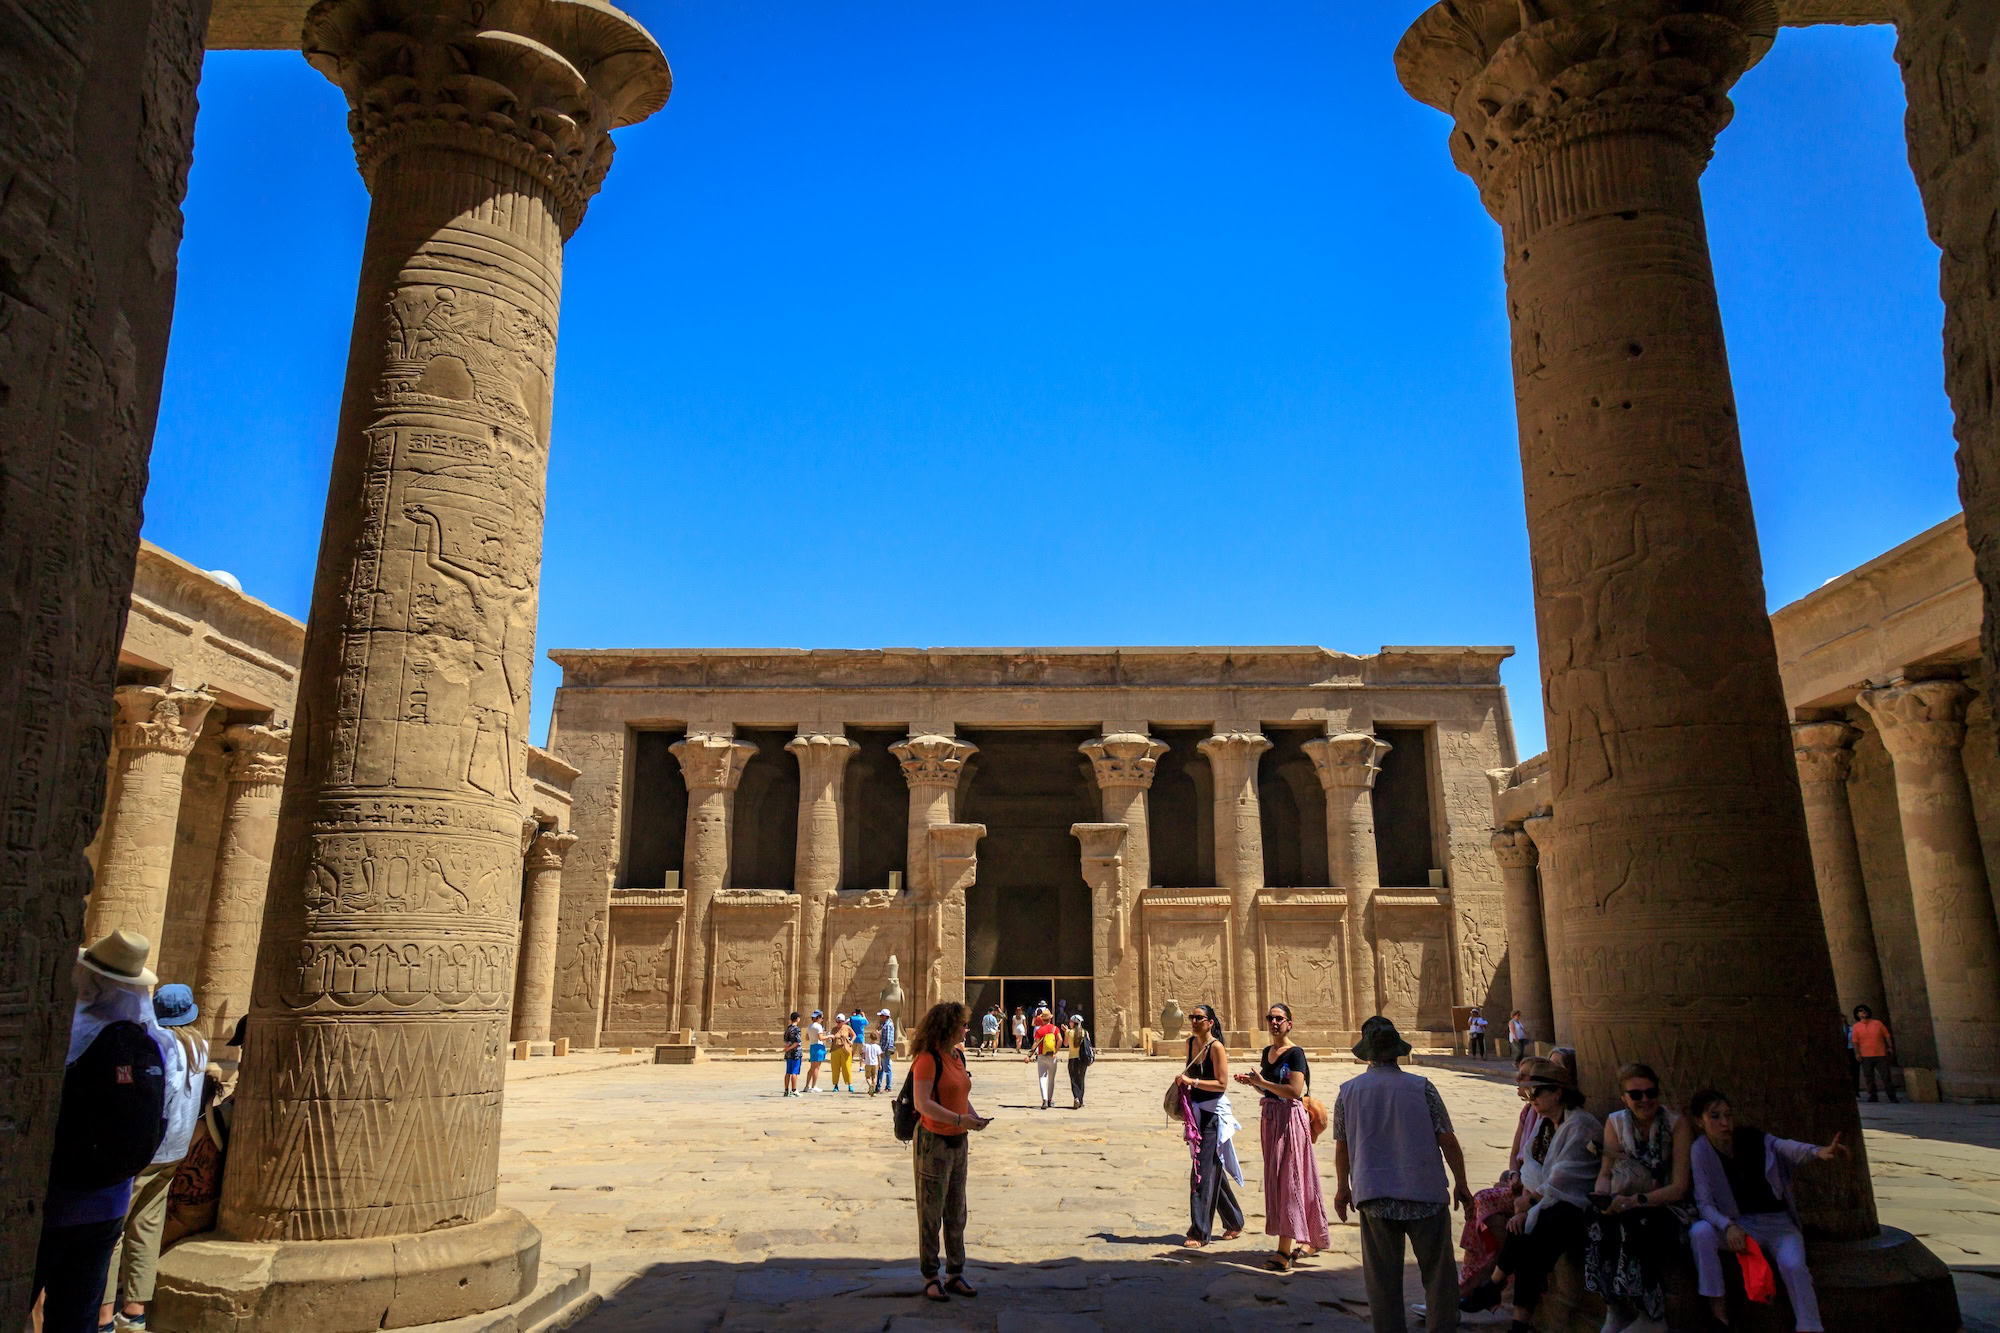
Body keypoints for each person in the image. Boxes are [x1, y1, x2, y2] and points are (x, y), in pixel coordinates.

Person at [35, 931, 169, 1333]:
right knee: (76, 1314)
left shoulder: (69, 1034)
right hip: (110, 1200)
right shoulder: (150, 1040)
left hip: (52, 1197)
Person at [1333, 1016, 1473, 1332]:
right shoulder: (1421, 1087)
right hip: (1424, 1192)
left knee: (1382, 1283)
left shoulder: (1348, 1092)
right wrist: (1461, 1183)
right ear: (1397, 1052)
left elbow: (1343, 1148)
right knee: (1439, 1277)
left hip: (1375, 1195)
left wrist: (1343, 1188)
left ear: (1366, 1054)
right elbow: (1447, 1139)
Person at [1688, 1088, 1847, 1332]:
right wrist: (1728, 1226)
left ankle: (1810, 1326)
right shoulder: (1701, 1150)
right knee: (1700, 1232)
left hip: (1777, 1224)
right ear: (1700, 1121)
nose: (1724, 1123)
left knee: (1793, 1265)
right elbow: (1704, 1203)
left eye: (1728, 1116)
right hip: (1739, 1225)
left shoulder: (1753, 1138)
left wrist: (1818, 1151)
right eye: (1715, 1117)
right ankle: (1717, 1311)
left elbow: (1786, 1147)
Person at [1461, 1057, 1601, 1326]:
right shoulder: (1544, 1122)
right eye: (1529, 1092)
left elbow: (1565, 1179)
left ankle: (1494, 1288)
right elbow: (1530, 1167)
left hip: (1574, 1205)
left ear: (1558, 1092)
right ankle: (1511, 1312)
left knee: (1533, 1229)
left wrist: (1529, 1204)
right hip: (1543, 1202)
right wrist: (1527, 1199)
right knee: (1528, 1239)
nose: (1530, 1097)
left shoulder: (1580, 1127)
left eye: (1536, 1092)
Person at [103, 983, 207, 1331]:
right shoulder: (201, 1046)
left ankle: (102, 1315)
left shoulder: (162, 1044)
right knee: (147, 1227)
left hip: (149, 1148)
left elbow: (162, 1095)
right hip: (175, 1150)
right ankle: (134, 1312)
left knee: (115, 1228)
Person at [1585, 1062, 1694, 1333]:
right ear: (1624, 1098)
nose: (1645, 1100)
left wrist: (1637, 1201)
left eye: (1651, 1092)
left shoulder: (1676, 1125)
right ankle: (1615, 1307)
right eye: (1636, 1095)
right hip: (1625, 1199)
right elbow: (1606, 1173)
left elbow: (1680, 1186)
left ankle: (1651, 1314)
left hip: (1667, 1205)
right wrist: (1604, 1198)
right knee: (1594, 1221)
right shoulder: (1616, 1122)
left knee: (1635, 1225)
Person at [1234, 1002, 1329, 1272]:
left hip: (1290, 1121)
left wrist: (1262, 1082)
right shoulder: (1268, 1053)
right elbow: (1271, 1091)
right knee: (1286, 1180)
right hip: (1272, 1120)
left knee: (1290, 1182)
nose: (1274, 1023)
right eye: (1271, 1018)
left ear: (1289, 1023)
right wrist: (1254, 1083)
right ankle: (1311, 1236)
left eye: (1280, 1019)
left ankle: (1283, 1252)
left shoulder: (1296, 1054)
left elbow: (1294, 1091)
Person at [909, 1001, 990, 1303]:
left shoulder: (957, 1056)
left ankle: (955, 1272)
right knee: (931, 1211)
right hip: (934, 1141)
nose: (967, 1029)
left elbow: (960, 1094)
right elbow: (922, 1103)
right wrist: (959, 1119)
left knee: (957, 1210)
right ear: (949, 1027)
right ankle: (931, 1275)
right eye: (963, 1025)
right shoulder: (928, 1060)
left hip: (958, 1139)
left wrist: (972, 1116)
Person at [1459, 1058, 1541, 1299]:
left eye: (1524, 1076)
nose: (1517, 1080)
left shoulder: (1552, 1118)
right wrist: (1514, 1175)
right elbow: (1516, 1154)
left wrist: (1522, 1185)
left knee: (1482, 1202)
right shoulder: (1528, 1112)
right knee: (1485, 1206)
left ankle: (1484, 1281)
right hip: (1521, 1184)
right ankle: (1483, 1279)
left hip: (1536, 1191)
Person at [1175, 1003, 1244, 1248]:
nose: (1194, 1021)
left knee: (1201, 1172)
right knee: (1211, 1168)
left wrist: (1191, 1081)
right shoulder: (1190, 1044)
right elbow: (1190, 1073)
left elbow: (1221, 1084)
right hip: (1196, 1114)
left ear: (1210, 1022)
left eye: (1199, 1018)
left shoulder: (1216, 1048)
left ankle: (1200, 1231)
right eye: (1192, 1017)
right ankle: (1234, 1221)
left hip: (1213, 1115)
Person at [1850, 1005, 1896, 1102]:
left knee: (1886, 1076)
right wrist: (1857, 1053)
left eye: (1865, 1010)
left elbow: (1887, 1035)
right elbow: (1855, 1041)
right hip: (1865, 1055)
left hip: (1880, 1054)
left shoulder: (1877, 1023)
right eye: (1860, 1011)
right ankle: (1873, 1095)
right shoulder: (1856, 1027)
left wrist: (1890, 1047)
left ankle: (1891, 1095)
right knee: (1869, 1077)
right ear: (1857, 1014)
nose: (1863, 1012)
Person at [1026, 1008, 1062, 1109]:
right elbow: (1060, 1040)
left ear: (1042, 1019)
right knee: (1051, 1079)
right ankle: (1050, 1099)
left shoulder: (1039, 1030)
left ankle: (1044, 1100)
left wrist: (1029, 1055)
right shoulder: (1055, 1029)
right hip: (1052, 1056)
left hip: (1042, 1056)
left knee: (1042, 1078)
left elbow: (1035, 1043)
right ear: (1050, 1019)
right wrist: (1055, 1051)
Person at [1065, 1014, 1093, 1109]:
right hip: (1083, 1059)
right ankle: (1080, 1100)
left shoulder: (1069, 1032)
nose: (1069, 1023)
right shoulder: (1085, 1033)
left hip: (1072, 1058)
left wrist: (1066, 1032)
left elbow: (1065, 1044)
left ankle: (1076, 1097)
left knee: (1073, 1079)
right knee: (1081, 1079)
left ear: (1073, 1023)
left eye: (1070, 1021)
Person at [830, 1013, 858, 1093]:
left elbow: (854, 1035)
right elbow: (831, 1038)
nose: (838, 1023)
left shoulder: (847, 1028)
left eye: (840, 1022)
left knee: (846, 1067)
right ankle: (835, 1085)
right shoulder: (834, 1029)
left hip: (845, 1049)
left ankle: (850, 1084)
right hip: (835, 1049)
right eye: (837, 1021)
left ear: (843, 1022)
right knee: (835, 1068)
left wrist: (852, 1041)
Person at [805, 1011, 827, 1093]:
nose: (822, 1019)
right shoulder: (818, 1026)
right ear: (818, 1018)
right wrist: (829, 1036)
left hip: (812, 1046)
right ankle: (814, 1086)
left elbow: (807, 1037)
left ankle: (807, 1085)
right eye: (821, 1018)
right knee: (816, 1068)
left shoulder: (809, 1026)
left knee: (812, 1067)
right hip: (818, 1046)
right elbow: (821, 1038)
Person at [782, 1011, 803, 1097]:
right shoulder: (796, 1029)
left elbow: (786, 1041)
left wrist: (787, 1048)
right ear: (797, 1019)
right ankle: (794, 1090)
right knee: (794, 1072)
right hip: (795, 1053)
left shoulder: (788, 1029)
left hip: (788, 1054)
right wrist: (790, 1048)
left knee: (788, 1072)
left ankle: (786, 1090)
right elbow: (797, 1042)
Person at [877, 1009, 897, 1092]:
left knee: (887, 1068)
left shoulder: (888, 1025)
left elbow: (888, 1040)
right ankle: (878, 1086)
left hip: (885, 1050)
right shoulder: (885, 1024)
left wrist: (883, 1050)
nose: (880, 1017)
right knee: (880, 1068)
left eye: (881, 1016)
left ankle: (888, 1086)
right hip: (882, 1049)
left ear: (885, 1016)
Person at [862, 1026, 883, 1095]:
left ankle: (870, 1085)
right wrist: (880, 1064)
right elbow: (879, 1056)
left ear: (870, 1038)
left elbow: (863, 1054)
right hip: (875, 1063)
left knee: (867, 1077)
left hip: (868, 1063)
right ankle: (873, 1090)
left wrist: (862, 1058)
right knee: (874, 1077)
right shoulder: (877, 1047)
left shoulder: (866, 1046)